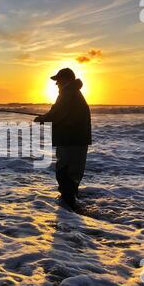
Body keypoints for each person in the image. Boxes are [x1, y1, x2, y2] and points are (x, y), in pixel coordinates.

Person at [35, 68, 92, 209]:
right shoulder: (74, 93)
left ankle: (67, 210)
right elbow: (60, 113)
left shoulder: (67, 93)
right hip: (78, 140)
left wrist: (42, 119)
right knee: (73, 174)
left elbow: (56, 115)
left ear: (66, 80)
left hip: (69, 140)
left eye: (58, 80)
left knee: (64, 173)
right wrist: (46, 117)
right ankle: (71, 208)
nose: (56, 84)